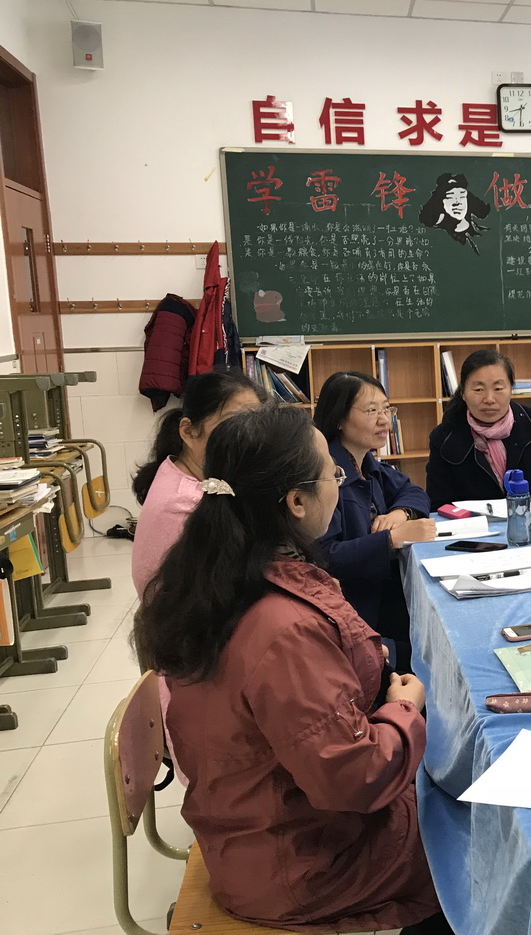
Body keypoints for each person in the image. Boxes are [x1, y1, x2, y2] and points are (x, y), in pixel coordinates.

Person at [131, 407, 449, 934]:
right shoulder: (283, 627)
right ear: (297, 501)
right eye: (332, 475)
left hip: (255, 825)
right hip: (301, 864)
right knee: (475, 837)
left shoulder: (213, 579)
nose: (339, 485)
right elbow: (356, 777)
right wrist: (402, 710)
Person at [314, 371, 435, 672]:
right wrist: (391, 540)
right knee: (432, 655)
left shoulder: (368, 462)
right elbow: (324, 557)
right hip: (355, 613)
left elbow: (414, 492)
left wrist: (400, 513)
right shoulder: (327, 474)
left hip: (384, 596)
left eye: (386, 409)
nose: (385, 421)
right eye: (371, 411)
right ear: (339, 419)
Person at [131, 368, 264, 595]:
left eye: (255, 423)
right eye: (232, 424)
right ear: (189, 431)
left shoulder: (177, 470)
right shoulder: (186, 502)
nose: (248, 436)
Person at [426, 349, 531, 509]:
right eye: (478, 390)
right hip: (473, 523)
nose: (489, 399)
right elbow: (438, 504)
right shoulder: (444, 437)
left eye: (498, 389)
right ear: (463, 393)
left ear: (511, 390)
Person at [419, 173, 491, 253]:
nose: (457, 202)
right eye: (450, 197)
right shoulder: (437, 236)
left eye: (462, 196)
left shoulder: (483, 233)